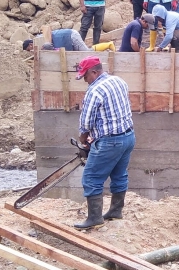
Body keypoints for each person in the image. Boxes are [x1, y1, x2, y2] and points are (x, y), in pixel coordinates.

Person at [74, 56, 135, 230]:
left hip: (110, 141)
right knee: (119, 174)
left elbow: (86, 123)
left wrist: (83, 140)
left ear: (94, 72)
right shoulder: (119, 81)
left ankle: (94, 218)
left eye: (85, 76)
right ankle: (116, 211)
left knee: (91, 178)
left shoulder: (94, 91)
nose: (85, 80)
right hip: (128, 136)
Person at [23, 29, 90, 52]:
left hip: (71, 36)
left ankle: (98, 52)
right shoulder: (39, 41)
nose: (31, 51)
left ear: (30, 45)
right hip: (68, 40)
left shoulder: (40, 40)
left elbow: (49, 46)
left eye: (29, 49)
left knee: (86, 53)